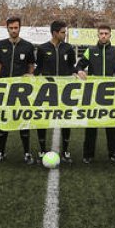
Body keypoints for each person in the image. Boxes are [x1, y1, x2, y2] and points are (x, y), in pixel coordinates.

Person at [75, 24, 115, 164]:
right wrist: (80, 70)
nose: (104, 36)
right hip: (93, 93)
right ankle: (88, 154)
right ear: (98, 35)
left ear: (110, 35)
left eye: (106, 33)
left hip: (110, 93)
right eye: (101, 33)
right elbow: (80, 64)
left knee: (111, 124)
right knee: (91, 125)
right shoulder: (90, 51)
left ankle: (114, 153)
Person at [0, 16, 36, 163]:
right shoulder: (0, 45)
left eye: (16, 28)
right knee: (3, 120)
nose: (13, 30)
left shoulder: (28, 46)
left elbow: (31, 65)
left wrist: (30, 75)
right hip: (4, 89)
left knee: (23, 121)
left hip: (22, 90)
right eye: (11, 28)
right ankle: (1, 153)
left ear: (20, 28)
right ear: (7, 29)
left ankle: (27, 153)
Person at [34, 20, 78, 164]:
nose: (65, 35)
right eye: (63, 32)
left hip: (65, 90)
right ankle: (42, 150)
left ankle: (65, 151)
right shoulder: (42, 48)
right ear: (55, 33)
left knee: (65, 119)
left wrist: (79, 72)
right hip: (47, 90)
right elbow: (39, 68)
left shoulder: (68, 48)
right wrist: (31, 76)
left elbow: (72, 66)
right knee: (43, 118)